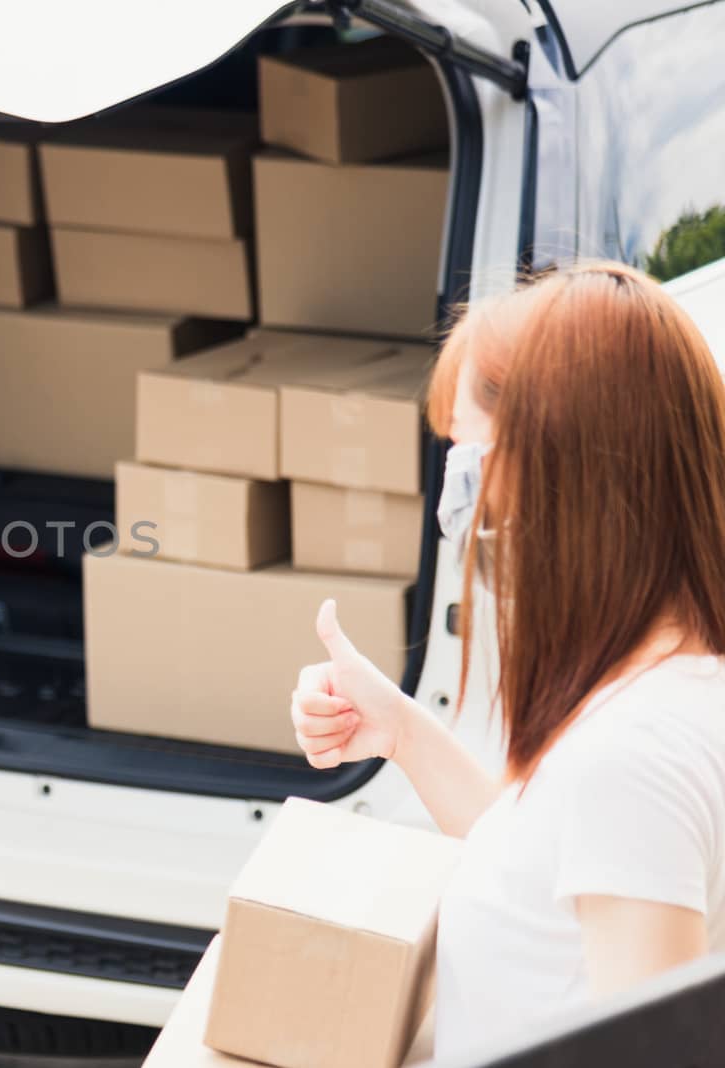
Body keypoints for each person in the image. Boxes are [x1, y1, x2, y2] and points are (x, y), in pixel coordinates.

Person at [290, 261, 725, 1056]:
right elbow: (554, 877)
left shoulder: (632, 758)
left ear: (572, 471)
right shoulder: (664, 691)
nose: (460, 497)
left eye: (472, 457)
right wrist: (402, 731)